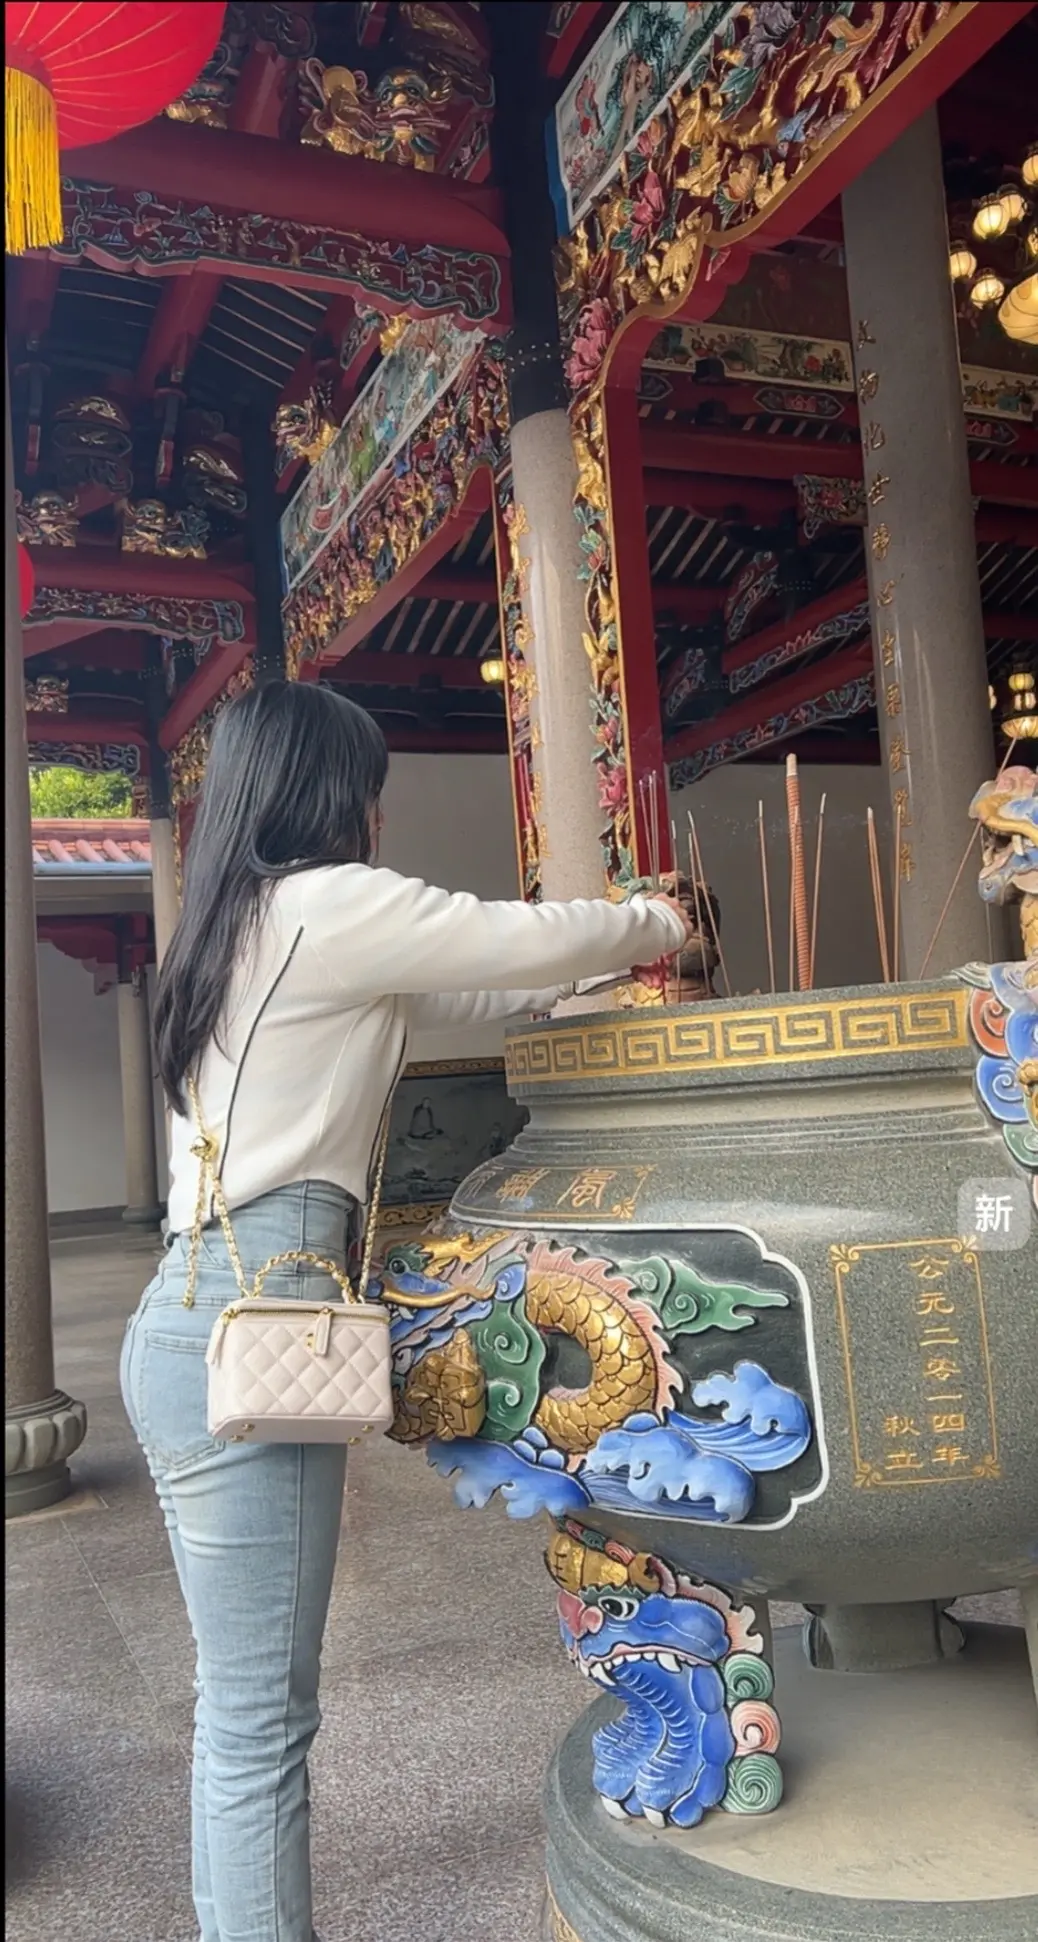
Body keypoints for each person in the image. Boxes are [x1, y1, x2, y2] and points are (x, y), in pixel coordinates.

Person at [120, 680, 691, 1942]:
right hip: (257, 1322)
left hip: (196, 1315)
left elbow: (478, 989)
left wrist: (585, 977)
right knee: (263, 1720)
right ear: (332, 791)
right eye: (368, 786)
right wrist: (657, 917)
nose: (376, 812)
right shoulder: (328, 903)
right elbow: (510, 939)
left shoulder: (238, 929)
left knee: (239, 1710)